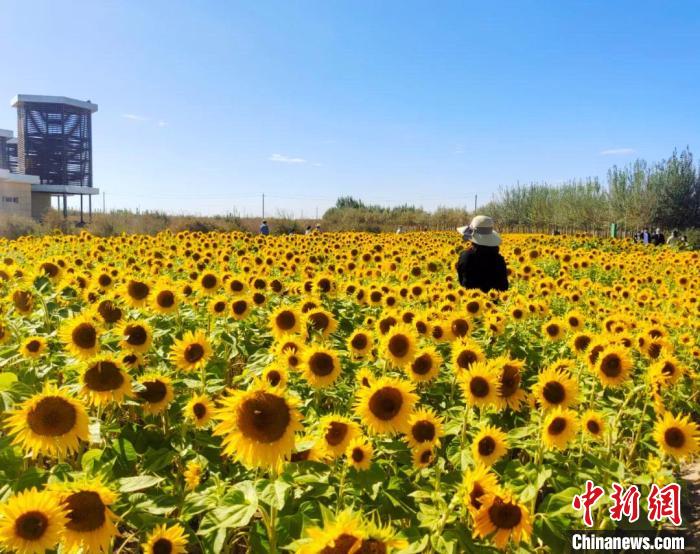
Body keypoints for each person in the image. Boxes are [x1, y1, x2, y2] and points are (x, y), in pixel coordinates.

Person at [456, 215, 509, 293]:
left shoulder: (465, 256)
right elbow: (504, 286)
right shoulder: (499, 259)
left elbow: (462, 282)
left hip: (469, 299)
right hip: (495, 302)